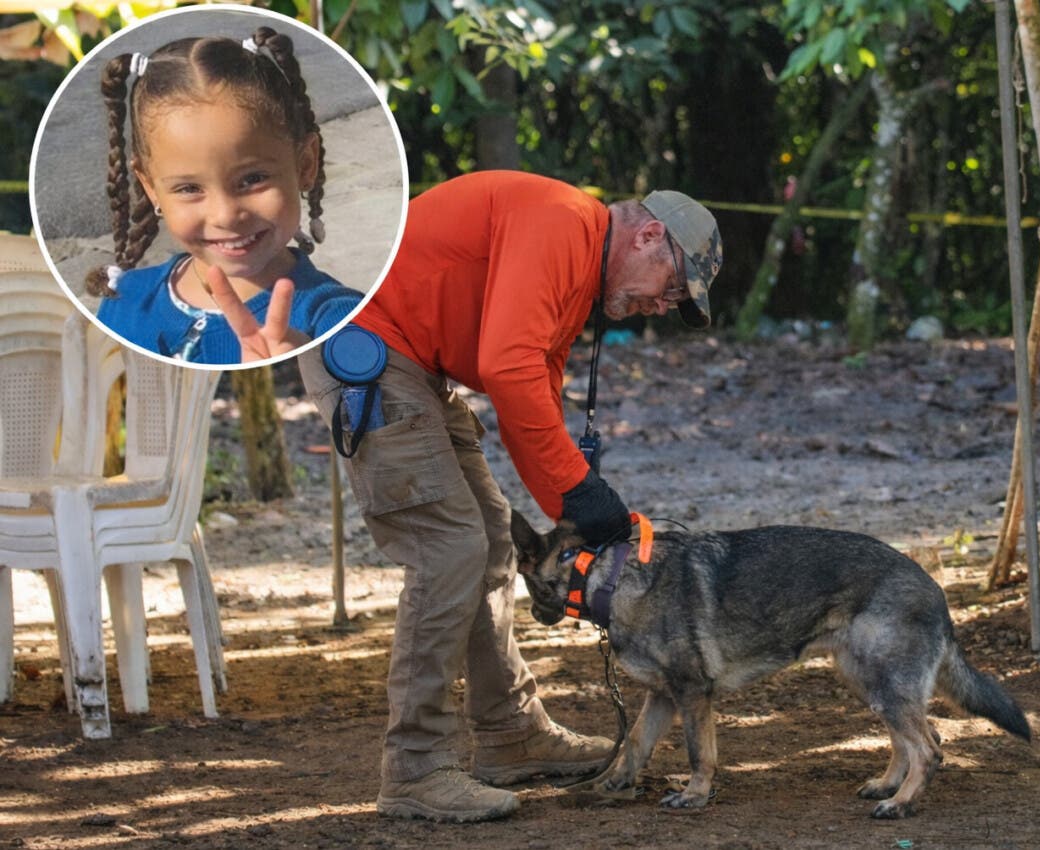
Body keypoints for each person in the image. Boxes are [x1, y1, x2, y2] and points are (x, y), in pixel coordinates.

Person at [298, 170, 722, 823]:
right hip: (370, 348)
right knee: (450, 547)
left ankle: (510, 734)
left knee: (492, 539)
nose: (665, 306)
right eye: (673, 286)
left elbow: (534, 399)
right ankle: (415, 770)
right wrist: (582, 492)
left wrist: (576, 508)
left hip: (409, 359)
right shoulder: (561, 222)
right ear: (649, 236)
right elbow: (506, 366)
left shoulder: (576, 265)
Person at [85, 26, 364, 364]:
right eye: (189, 188)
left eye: (253, 179)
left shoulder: (342, 320)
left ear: (305, 164)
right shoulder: (123, 301)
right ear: (150, 188)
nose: (226, 215)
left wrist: (317, 371)